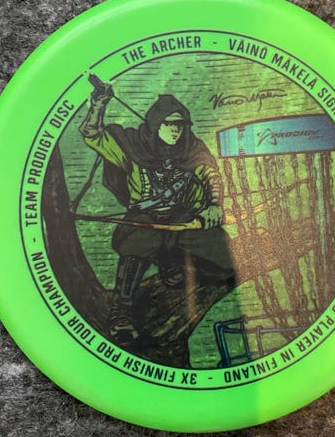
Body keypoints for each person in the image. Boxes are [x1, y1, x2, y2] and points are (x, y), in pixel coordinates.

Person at [79, 79, 236, 344]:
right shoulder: (131, 146)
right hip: (145, 220)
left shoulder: (191, 148)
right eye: (169, 124)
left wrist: (213, 205)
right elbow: (92, 134)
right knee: (139, 242)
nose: (176, 130)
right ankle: (121, 311)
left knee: (228, 263)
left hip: (182, 221)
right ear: (155, 124)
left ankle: (169, 261)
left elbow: (210, 174)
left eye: (180, 125)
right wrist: (98, 105)